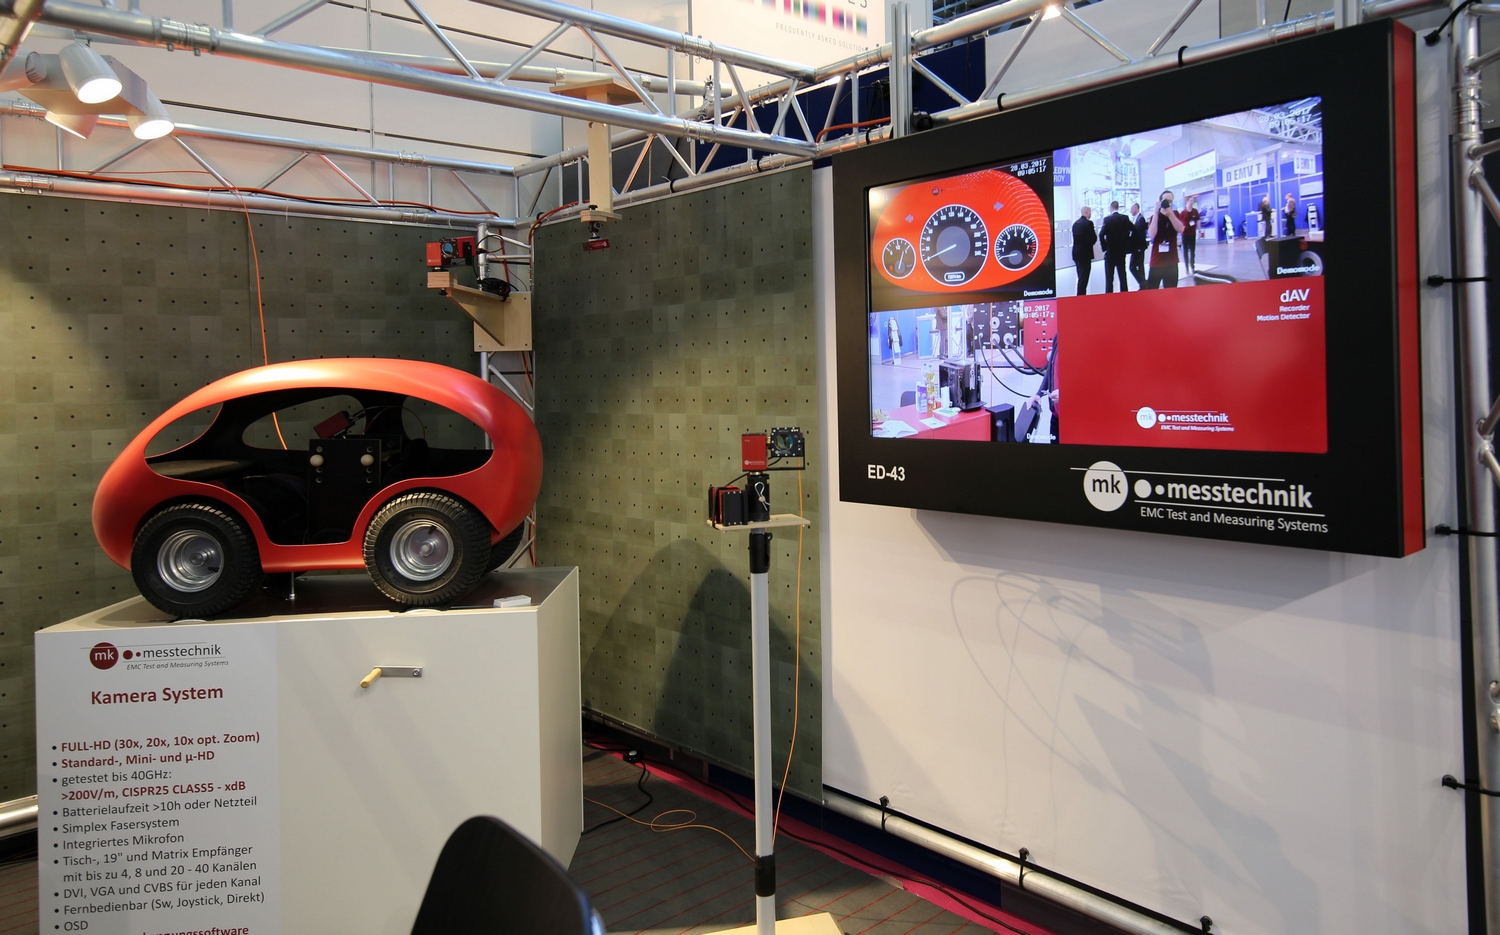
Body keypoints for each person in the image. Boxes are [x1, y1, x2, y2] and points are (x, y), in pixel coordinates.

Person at [1145, 189, 1186, 289]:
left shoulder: (1175, 214)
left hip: (1172, 262)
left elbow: (1181, 229)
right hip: (1157, 261)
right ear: (1160, 201)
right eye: (1165, 200)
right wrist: (1156, 213)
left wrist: (1170, 214)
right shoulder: (1154, 217)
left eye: (1170, 201)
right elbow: (1152, 234)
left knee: (1171, 294)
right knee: (1151, 292)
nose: (1168, 203)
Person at [1099, 201, 1133, 293]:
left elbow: (1101, 234)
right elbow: (1134, 229)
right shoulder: (1125, 218)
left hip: (1110, 252)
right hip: (1121, 252)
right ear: (1118, 207)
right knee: (1122, 276)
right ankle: (1125, 296)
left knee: (1109, 278)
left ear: (1111, 208)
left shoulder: (1107, 220)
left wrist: (1105, 247)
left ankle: (1109, 298)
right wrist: (1127, 242)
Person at [1070, 207, 1097, 296]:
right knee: (1084, 278)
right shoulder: (1088, 224)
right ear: (1087, 212)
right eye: (1090, 212)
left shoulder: (1075, 224)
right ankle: (1081, 296)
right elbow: (1093, 239)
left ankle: (1080, 295)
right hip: (1085, 255)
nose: (1090, 213)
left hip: (1076, 254)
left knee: (1080, 276)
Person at [1179, 194, 1200, 275]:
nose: (1192, 202)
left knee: (1192, 251)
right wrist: (1181, 229)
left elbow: (1198, 220)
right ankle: (1186, 268)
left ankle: (1192, 266)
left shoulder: (1195, 211)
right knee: (1185, 251)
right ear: (1187, 202)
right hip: (1185, 235)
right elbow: (1179, 222)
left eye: (1192, 201)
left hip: (1192, 234)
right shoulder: (1183, 213)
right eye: (1190, 201)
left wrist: (1199, 230)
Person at [1130, 203, 1148, 290]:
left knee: (1133, 267)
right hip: (1137, 247)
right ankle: (1143, 284)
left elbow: (1141, 234)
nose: (1130, 211)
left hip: (1138, 248)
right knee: (1139, 266)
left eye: (1131, 209)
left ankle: (1143, 283)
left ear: (1136, 209)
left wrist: (1139, 247)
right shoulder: (1136, 219)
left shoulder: (1140, 219)